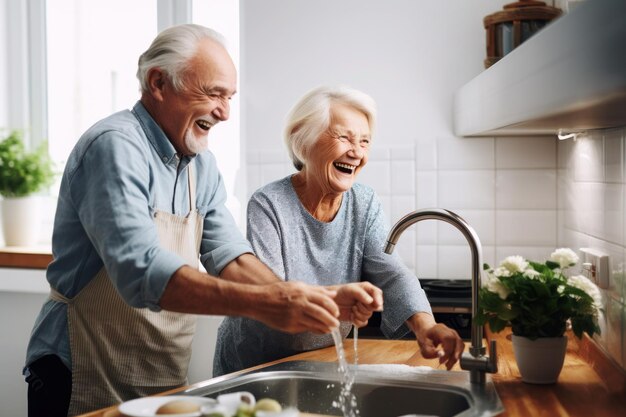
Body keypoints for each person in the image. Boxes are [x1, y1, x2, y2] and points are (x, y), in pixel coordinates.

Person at [23, 26, 382, 417]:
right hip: (80, 372)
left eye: (229, 97)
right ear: (158, 82)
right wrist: (269, 303)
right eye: (213, 94)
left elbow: (231, 258)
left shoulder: (202, 165)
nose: (225, 112)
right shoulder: (114, 146)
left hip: (158, 374)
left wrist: (318, 298)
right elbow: (140, 270)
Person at [214, 85, 465, 376]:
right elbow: (275, 297)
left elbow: (392, 273)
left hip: (322, 360)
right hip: (257, 365)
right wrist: (336, 298)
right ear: (302, 141)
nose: (357, 152)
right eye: (344, 137)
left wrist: (426, 326)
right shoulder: (268, 203)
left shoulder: (364, 202)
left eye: (365, 141)